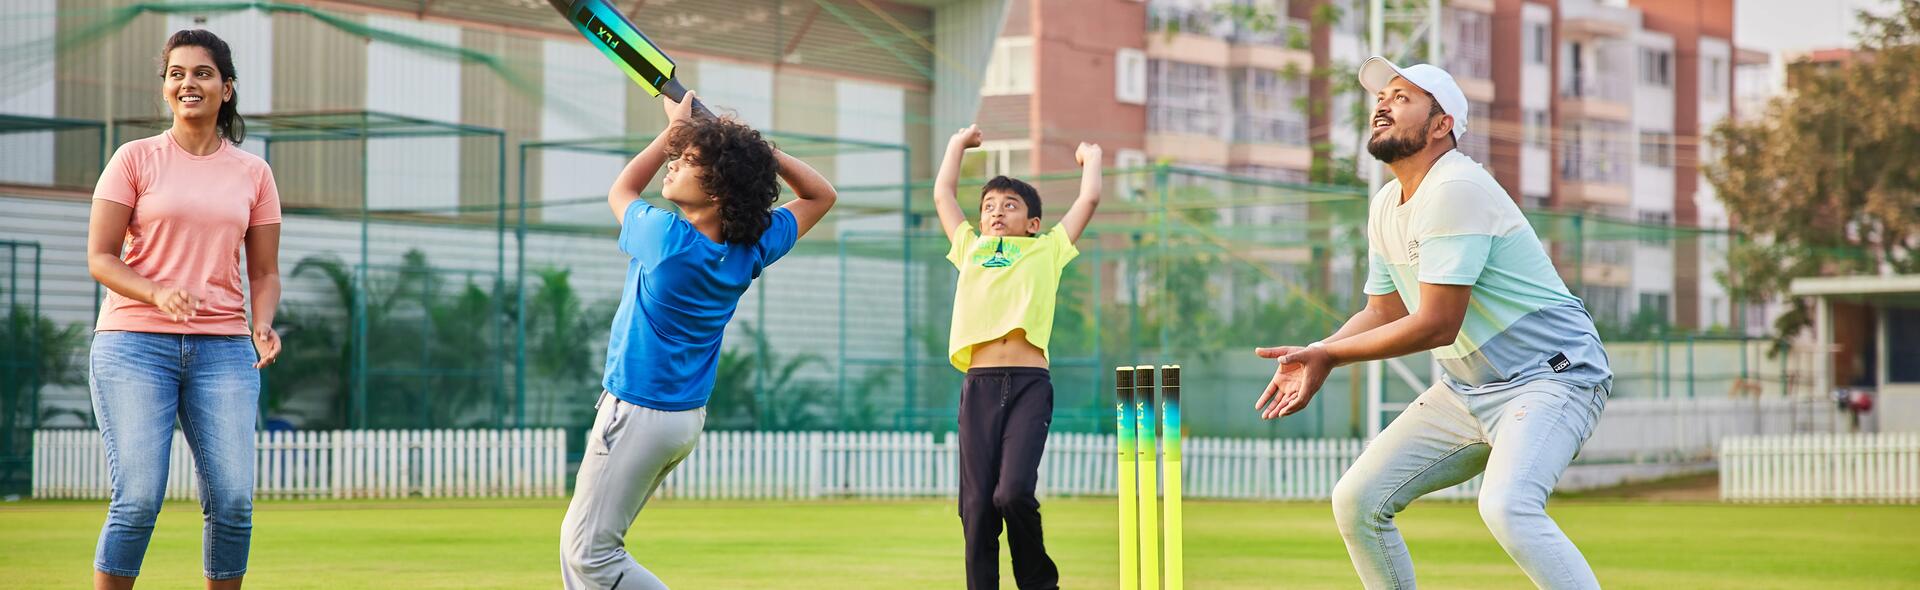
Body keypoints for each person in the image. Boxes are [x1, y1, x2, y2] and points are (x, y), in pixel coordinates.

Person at [1252, 58, 1612, 590]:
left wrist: (1331, 356)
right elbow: (1384, 310)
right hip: (1468, 389)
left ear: (1442, 125)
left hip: (1553, 376)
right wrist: (1316, 349)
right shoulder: (1385, 205)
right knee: (1357, 501)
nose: (1382, 105)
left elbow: (1437, 325)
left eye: (1402, 98)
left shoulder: (1456, 187)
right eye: (1382, 97)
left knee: (1508, 506)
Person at [558, 91, 837, 590]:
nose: (673, 163)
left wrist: (673, 132)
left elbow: (621, 189)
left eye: (687, 162)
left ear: (717, 191)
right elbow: (821, 196)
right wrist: (752, 151)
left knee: (592, 555)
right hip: (679, 418)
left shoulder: (667, 239)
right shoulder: (750, 247)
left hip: (638, 412)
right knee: (581, 552)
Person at [85, 28, 283, 590]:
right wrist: (157, 293)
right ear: (166, 88)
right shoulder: (135, 158)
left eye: (202, 73)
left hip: (223, 348)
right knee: (140, 497)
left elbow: (265, 272)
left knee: (235, 501)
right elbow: (100, 257)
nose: (188, 83)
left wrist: (262, 323)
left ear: (226, 88)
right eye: (177, 73)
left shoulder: (254, 173)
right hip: (133, 343)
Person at [933, 124, 1103, 590]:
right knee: (976, 506)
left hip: (1029, 384)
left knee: (1012, 494)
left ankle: (1039, 584)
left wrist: (1092, 161)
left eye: (1010, 206)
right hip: (981, 386)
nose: (996, 212)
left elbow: (1087, 202)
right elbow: (944, 194)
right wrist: (956, 146)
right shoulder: (970, 248)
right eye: (989, 207)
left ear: (1032, 223)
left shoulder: (1046, 250)